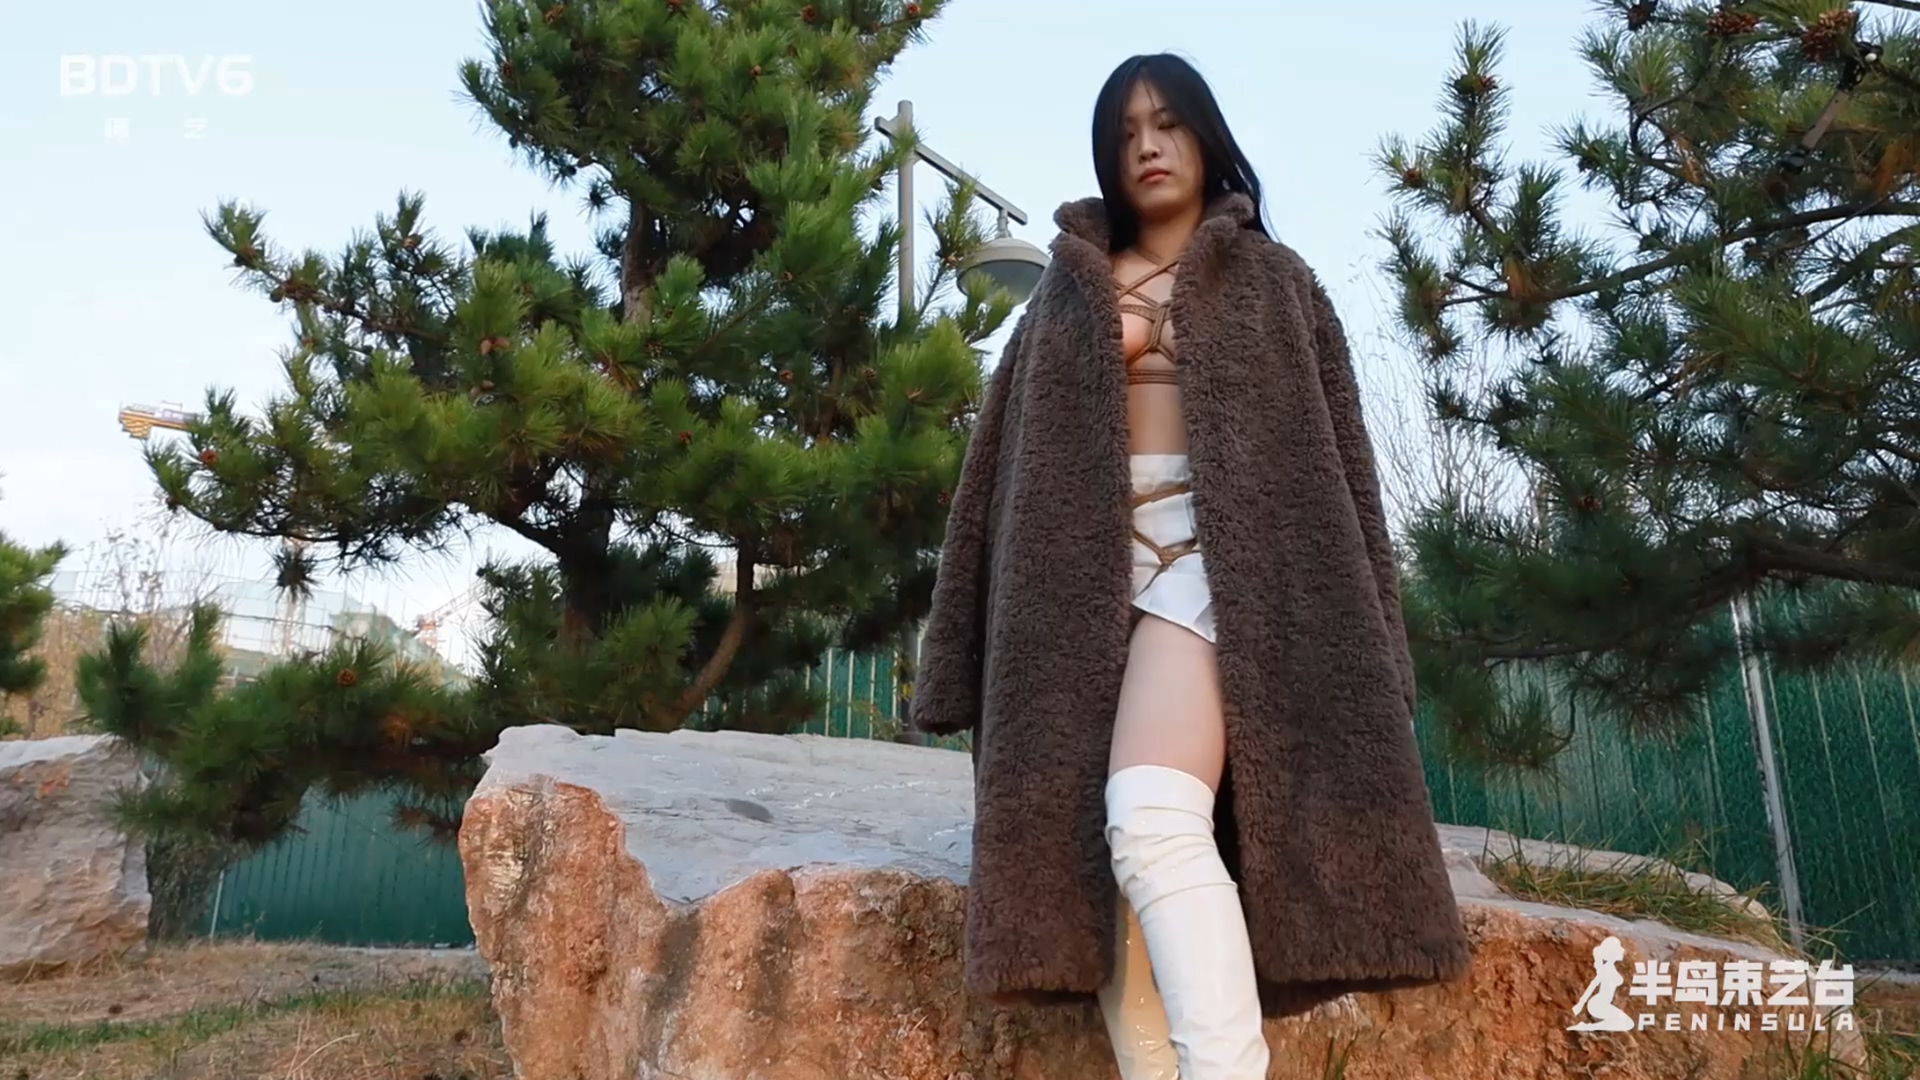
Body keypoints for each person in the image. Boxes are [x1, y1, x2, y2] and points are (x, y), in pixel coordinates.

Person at [910, 53, 1473, 1080]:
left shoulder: (1275, 283)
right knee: (1103, 882)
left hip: (1218, 570)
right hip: (1075, 587)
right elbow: (993, 475)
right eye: (1126, 133)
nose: (1148, 147)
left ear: (1205, 135)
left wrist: (1379, 642)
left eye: (1167, 123)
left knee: (1149, 813)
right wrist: (957, 655)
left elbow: (1344, 468)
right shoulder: (1064, 296)